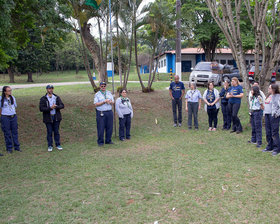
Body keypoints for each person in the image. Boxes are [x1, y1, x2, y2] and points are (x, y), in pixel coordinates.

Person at [39, 85, 64, 152]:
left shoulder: (56, 97)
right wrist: (50, 108)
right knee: (49, 131)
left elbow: (62, 105)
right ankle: (50, 145)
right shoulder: (43, 98)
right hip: (48, 118)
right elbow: (41, 109)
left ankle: (58, 144)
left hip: (56, 117)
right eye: (49, 89)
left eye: (51, 89)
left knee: (56, 131)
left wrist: (56, 107)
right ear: (47, 90)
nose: (50, 90)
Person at [0, 86, 21, 154]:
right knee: (7, 133)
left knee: (15, 132)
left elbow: (15, 106)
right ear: (5, 92)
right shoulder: (1, 99)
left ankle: (17, 147)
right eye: (8, 91)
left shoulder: (13, 98)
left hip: (13, 117)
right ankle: (9, 148)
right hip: (5, 117)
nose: (10, 92)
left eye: (10, 90)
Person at [94, 82, 114, 146]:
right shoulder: (97, 94)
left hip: (109, 111)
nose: (103, 87)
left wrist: (110, 102)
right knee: (101, 127)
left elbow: (113, 102)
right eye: (102, 86)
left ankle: (108, 140)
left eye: (104, 86)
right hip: (101, 112)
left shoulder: (108, 93)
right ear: (100, 87)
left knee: (109, 127)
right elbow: (96, 104)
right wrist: (103, 102)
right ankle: (100, 141)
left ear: (106, 86)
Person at [262, 85, 275, 152]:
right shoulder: (268, 96)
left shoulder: (275, 96)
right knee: (268, 131)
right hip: (266, 114)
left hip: (272, 115)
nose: (268, 89)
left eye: (270, 88)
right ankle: (269, 146)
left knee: (273, 131)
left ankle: (275, 146)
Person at [270, 84, 280, 156]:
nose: (269, 90)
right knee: (273, 131)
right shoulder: (272, 96)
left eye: (270, 88)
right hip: (272, 115)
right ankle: (274, 147)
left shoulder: (278, 97)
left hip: (276, 116)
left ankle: (277, 149)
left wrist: (276, 114)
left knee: (275, 132)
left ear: (274, 89)